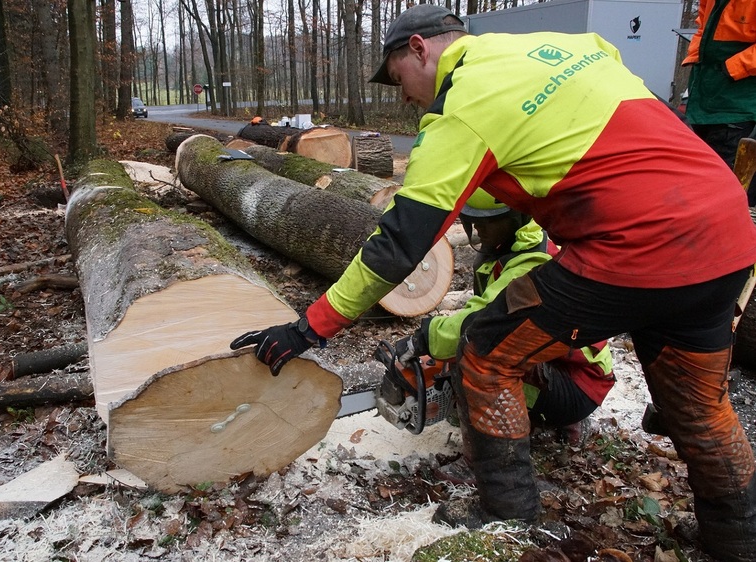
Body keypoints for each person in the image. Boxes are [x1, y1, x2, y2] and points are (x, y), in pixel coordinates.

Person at [231, 5, 756, 560]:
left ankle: (506, 517)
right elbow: (609, 69)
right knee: (700, 411)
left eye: (398, 79)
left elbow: (400, 243)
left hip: (635, 247)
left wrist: (309, 329)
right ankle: (738, 540)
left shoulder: (466, 105)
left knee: (486, 350)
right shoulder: (556, 46)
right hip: (725, 229)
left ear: (419, 49)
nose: (403, 97)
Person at [395, 195, 614, 465]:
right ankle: (548, 419)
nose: (479, 230)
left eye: (487, 223)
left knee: (474, 364)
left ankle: (485, 460)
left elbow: (481, 323)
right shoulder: (506, 252)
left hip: (578, 380)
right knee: (467, 356)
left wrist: (425, 337)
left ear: (514, 220)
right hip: (561, 368)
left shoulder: (530, 263)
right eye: (473, 223)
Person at [681, 0, 756, 202]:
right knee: (699, 176)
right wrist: (695, 55)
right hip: (704, 98)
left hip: (738, 106)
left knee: (726, 186)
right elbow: (703, 23)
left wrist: (734, 68)